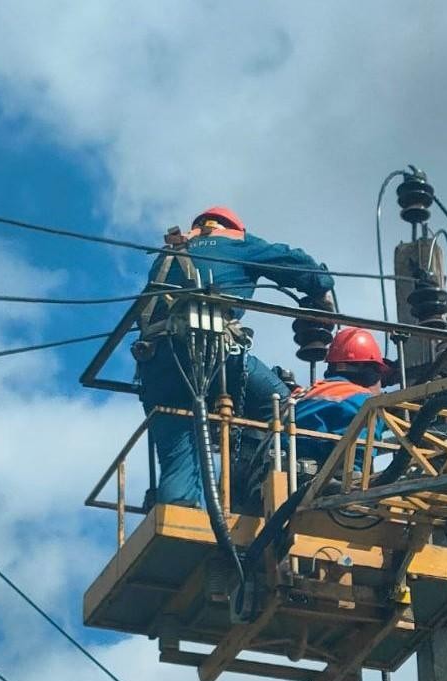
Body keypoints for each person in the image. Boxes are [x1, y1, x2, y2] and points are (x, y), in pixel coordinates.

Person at [135, 205, 335, 507]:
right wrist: (322, 289)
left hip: (155, 364)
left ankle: (178, 508)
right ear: (233, 227)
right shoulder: (236, 242)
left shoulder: (169, 254)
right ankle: (258, 481)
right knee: (281, 407)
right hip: (212, 352)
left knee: (179, 446)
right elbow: (289, 261)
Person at [293, 327, 391, 471]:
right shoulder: (364, 401)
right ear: (370, 373)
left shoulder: (302, 393)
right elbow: (357, 455)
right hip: (320, 476)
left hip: (277, 468)